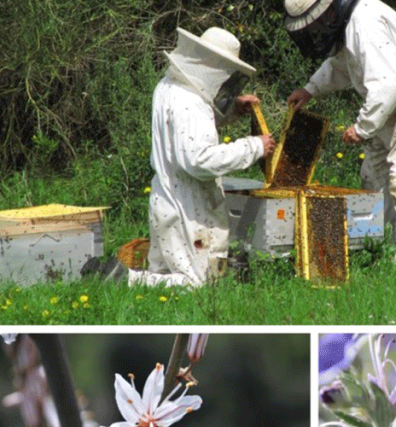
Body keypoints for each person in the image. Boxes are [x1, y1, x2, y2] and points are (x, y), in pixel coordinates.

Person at [87, 27, 275, 287]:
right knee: (196, 284)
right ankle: (123, 279)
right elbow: (199, 159)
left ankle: (125, 280)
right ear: (214, 64)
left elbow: (188, 134)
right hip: (189, 207)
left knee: (164, 274)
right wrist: (253, 147)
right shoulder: (190, 102)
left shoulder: (168, 86)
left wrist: (231, 109)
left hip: (165, 199)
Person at [283, 0, 396, 272]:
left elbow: (389, 82)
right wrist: (310, 90)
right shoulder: (344, 25)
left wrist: (362, 127)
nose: (313, 33)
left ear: (326, 14)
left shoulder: (364, 24)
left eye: (313, 26)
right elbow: (340, 66)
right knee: (373, 173)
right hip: (392, 96)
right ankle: (373, 245)